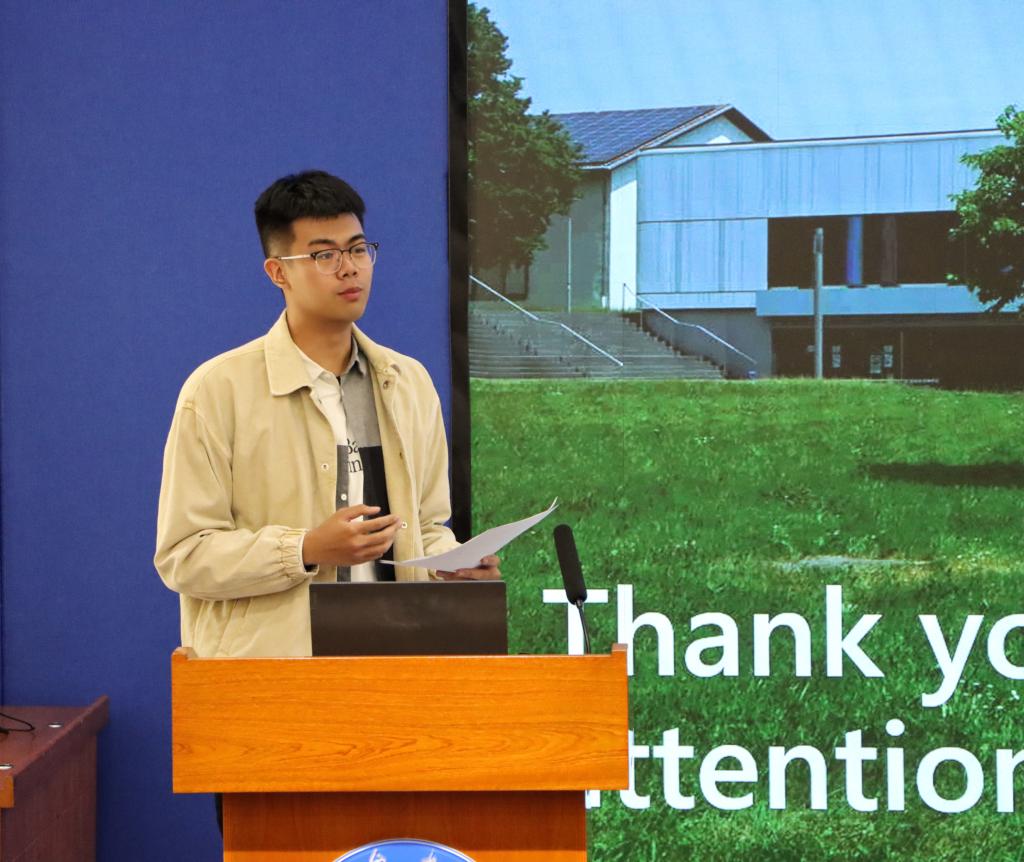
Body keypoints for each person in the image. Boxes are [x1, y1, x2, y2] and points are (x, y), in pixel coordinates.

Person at [155, 170, 500, 662]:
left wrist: (453, 566)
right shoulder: (217, 391)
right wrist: (306, 549)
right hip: (273, 675)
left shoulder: (408, 382)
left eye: (358, 249)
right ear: (278, 272)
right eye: (325, 255)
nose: (349, 269)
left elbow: (426, 526)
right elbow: (185, 556)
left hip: (398, 661)